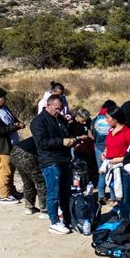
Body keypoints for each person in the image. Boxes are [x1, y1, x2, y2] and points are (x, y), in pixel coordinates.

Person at [31, 94, 85, 234]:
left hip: (64, 159)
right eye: (56, 108)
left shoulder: (59, 119)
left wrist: (74, 140)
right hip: (49, 161)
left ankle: (67, 219)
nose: (59, 111)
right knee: (53, 192)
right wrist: (62, 142)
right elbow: (42, 143)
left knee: (64, 192)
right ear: (47, 105)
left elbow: (66, 134)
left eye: (60, 109)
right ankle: (54, 221)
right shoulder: (38, 122)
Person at [102, 108, 130, 221]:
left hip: (124, 169)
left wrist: (120, 159)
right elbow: (109, 146)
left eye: (108, 118)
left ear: (115, 119)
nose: (106, 120)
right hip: (112, 168)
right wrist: (105, 153)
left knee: (126, 198)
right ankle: (124, 221)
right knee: (119, 198)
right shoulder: (110, 131)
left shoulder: (128, 133)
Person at [10, 136, 47, 217]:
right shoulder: (48, 138)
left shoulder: (41, 134)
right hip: (27, 155)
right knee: (40, 181)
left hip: (14, 152)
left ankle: (29, 207)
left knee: (27, 182)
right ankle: (44, 210)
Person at [92, 100, 119, 202]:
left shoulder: (95, 119)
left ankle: (101, 195)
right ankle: (113, 196)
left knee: (102, 172)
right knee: (112, 172)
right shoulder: (112, 118)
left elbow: (93, 133)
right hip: (110, 147)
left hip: (98, 147)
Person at [69, 107, 98, 189]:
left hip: (86, 146)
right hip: (75, 146)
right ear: (78, 116)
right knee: (76, 166)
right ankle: (77, 185)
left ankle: (88, 182)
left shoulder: (87, 121)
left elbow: (89, 130)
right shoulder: (71, 124)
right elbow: (69, 137)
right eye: (83, 119)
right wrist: (79, 138)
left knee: (88, 164)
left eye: (86, 119)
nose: (84, 122)